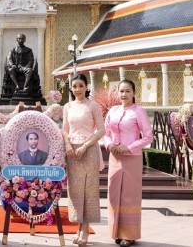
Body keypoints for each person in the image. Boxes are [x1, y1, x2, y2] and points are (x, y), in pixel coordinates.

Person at [103, 80, 153, 247]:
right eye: (121, 91)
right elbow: (106, 133)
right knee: (114, 194)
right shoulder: (113, 111)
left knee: (129, 196)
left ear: (134, 93)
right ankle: (116, 232)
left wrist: (129, 148)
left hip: (132, 158)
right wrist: (110, 145)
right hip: (115, 157)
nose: (124, 94)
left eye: (127, 91)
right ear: (117, 93)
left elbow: (148, 136)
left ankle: (129, 235)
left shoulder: (139, 111)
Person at [62, 74, 105, 247]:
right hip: (72, 151)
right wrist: (68, 146)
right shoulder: (67, 106)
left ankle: (85, 229)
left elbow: (102, 130)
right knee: (75, 190)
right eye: (74, 86)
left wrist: (85, 146)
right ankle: (78, 227)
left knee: (89, 190)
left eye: (81, 86)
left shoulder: (93, 105)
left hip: (89, 150)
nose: (77, 89)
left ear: (87, 87)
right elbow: (64, 129)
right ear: (71, 88)